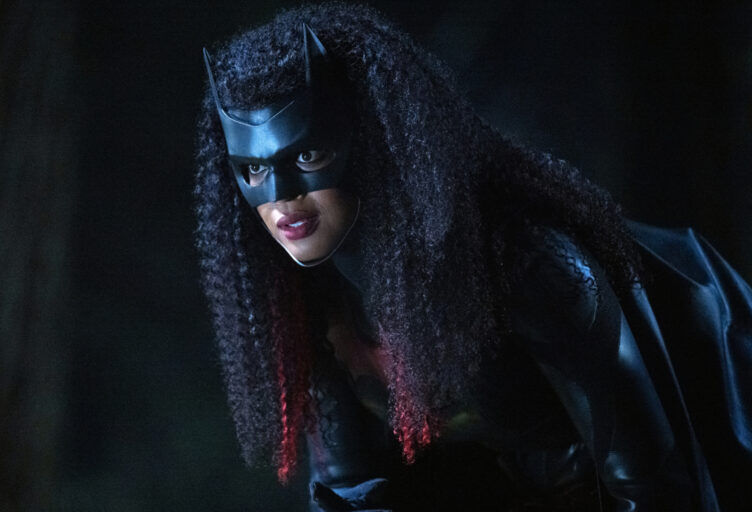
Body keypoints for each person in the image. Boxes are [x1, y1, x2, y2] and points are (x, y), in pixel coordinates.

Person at [194, 4, 751, 511]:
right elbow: (348, 491)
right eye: (253, 169)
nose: (282, 200)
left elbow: (653, 488)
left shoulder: (527, 266)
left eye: (308, 154)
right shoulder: (308, 302)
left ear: (369, 138)